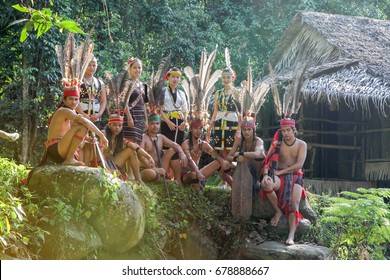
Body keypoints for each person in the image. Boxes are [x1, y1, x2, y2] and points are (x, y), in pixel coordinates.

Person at [261, 117, 307, 245]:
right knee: (266, 183)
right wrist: (265, 175)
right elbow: (267, 161)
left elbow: (299, 165)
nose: (285, 133)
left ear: (294, 130)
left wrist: (280, 172)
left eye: (288, 130)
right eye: (283, 130)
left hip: (295, 176)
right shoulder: (277, 144)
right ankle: (278, 211)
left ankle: (291, 236)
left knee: (294, 205)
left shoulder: (301, 144)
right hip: (278, 175)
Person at [46, 81, 108, 166]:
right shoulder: (63, 111)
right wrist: (102, 136)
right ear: (64, 100)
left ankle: (70, 158)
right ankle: (69, 158)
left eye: (76, 99)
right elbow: (85, 122)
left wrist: (87, 139)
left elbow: (70, 133)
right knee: (83, 127)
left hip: (61, 148)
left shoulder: (71, 112)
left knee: (82, 133)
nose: (74, 102)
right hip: (56, 149)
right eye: (71, 99)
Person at [209, 58, 240, 188]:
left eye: (228, 77)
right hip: (219, 123)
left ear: (232, 78)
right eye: (224, 78)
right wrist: (210, 125)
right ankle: (225, 179)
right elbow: (216, 110)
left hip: (232, 123)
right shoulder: (218, 93)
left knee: (231, 149)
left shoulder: (237, 93)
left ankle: (232, 176)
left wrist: (239, 129)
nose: (226, 80)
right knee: (222, 151)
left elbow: (240, 112)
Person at [102, 114, 154, 183]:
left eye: (120, 125)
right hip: (101, 163)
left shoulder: (119, 138)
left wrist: (149, 157)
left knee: (131, 151)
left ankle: (139, 180)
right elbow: (100, 155)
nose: (117, 128)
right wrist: (109, 170)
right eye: (114, 125)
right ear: (109, 125)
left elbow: (134, 146)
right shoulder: (103, 134)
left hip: (112, 163)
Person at [181, 119, 230, 190]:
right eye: (195, 128)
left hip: (197, 173)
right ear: (191, 129)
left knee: (219, 162)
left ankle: (230, 184)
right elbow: (190, 160)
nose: (198, 131)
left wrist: (224, 162)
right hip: (185, 176)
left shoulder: (203, 144)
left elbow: (216, 155)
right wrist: (198, 173)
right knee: (193, 174)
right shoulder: (186, 144)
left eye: (200, 128)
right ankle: (199, 196)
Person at [140, 113, 187, 183]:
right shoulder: (143, 137)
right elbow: (140, 156)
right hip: (146, 169)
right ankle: (164, 181)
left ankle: (177, 179)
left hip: (160, 167)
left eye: (157, 123)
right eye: (152, 124)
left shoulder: (161, 137)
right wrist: (154, 169)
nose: (155, 126)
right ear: (148, 125)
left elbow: (175, 145)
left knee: (172, 150)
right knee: (151, 173)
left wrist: (182, 153)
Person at [160, 67, 189, 181]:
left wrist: (185, 122)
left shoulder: (181, 93)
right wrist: (167, 122)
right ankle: (166, 175)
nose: (175, 79)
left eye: (177, 77)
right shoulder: (163, 92)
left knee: (178, 146)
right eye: (173, 77)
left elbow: (185, 110)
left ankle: (175, 177)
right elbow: (159, 109)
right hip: (167, 122)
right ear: (168, 78)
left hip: (179, 123)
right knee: (169, 147)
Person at [226, 115, 266, 187]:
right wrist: (236, 159)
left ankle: (257, 182)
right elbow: (228, 156)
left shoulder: (258, 141)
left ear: (253, 130)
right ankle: (235, 185)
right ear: (241, 130)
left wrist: (241, 153)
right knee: (225, 164)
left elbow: (258, 154)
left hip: (258, 169)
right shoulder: (239, 140)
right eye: (244, 129)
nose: (246, 132)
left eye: (249, 129)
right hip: (244, 166)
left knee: (259, 158)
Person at [76, 56, 107, 128]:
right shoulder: (77, 81)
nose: (91, 67)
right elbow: (74, 99)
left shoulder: (100, 83)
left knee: (95, 138)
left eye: (94, 65)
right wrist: (83, 114)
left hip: (95, 117)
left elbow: (103, 101)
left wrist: (99, 114)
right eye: (89, 65)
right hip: (80, 115)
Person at [123, 58, 148, 144]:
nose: (137, 70)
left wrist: (146, 120)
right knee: (129, 142)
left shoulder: (143, 86)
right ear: (129, 69)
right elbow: (124, 102)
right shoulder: (127, 83)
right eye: (134, 67)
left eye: (139, 67)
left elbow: (144, 104)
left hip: (140, 118)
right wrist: (129, 118)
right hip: (130, 116)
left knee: (137, 143)